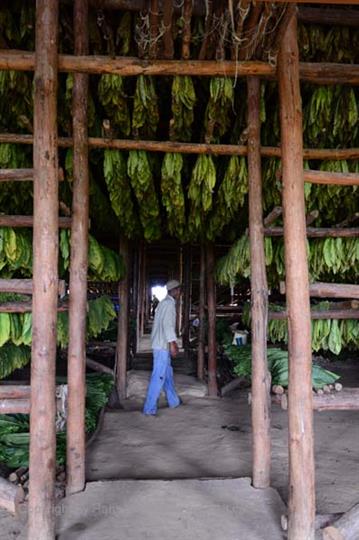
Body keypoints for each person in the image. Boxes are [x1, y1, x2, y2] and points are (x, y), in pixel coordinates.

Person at [143, 279, 182, 416]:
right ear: (176, 290)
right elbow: (167, 326)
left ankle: (174, 401)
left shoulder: (164, 303)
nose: (179, 292)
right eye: (179, 290)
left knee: (167, 374)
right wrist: (173, 343)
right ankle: (149, 408)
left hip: (160, 343)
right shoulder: (169, 305)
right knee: (158, 376)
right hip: (162, 346)